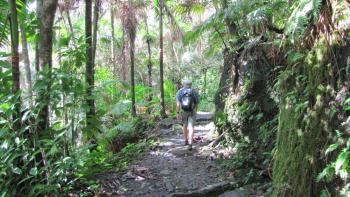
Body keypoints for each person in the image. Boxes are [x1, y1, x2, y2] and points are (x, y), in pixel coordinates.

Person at [176, 79, 199, 151]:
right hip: (192, 111)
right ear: (190, 84)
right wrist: (195, 110)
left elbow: (178, 104)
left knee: (184, 125)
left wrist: (177, 112)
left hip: (183, 111)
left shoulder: (180, 92)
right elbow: (197, 103)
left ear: (183, 84)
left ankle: (185, 140)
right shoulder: (194, 92)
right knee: (191, 127)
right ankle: (190, 143)